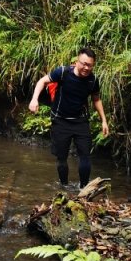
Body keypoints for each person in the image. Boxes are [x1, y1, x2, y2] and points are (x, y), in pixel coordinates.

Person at [28, 47, 109, 188]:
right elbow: (42, 81)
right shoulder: (63, 72)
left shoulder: (93, 80)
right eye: (83, 63)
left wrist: (104, 120)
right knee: (61, 158)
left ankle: (84, 189)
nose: (86, 67)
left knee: (85, 155)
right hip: (60, 121)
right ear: (77, 61)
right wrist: (34, 99)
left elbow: (96, 99)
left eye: (89, 65)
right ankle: (64, 186)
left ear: (93, 65)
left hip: (80, 121)